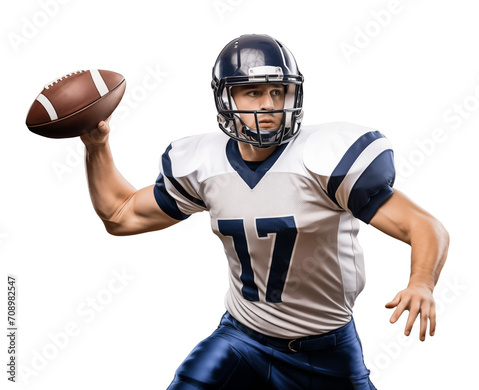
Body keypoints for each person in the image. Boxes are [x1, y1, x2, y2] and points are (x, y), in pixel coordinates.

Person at [80, 34, 449, 389]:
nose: (268, 104)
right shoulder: (203, 163)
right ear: (226, 97)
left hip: (327, 349)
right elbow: (121, 215)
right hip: (241, 339)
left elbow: (424, 226)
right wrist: (97, 146)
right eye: (253, 91)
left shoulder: (324, 158)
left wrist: (421, 282)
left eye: (278, 91)